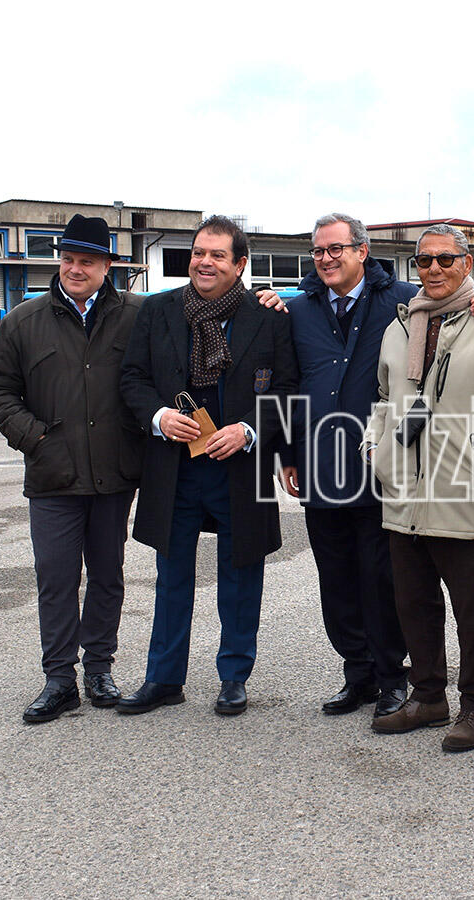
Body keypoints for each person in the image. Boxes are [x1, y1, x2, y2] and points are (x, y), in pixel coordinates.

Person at [271, 214, 474, 720]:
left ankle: (392, 678)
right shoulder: (299, 310)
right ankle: (357, 673)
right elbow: (287, 383)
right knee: (335, 579)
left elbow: (450, 295)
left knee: (382, 581)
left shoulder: (401, 301)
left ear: (362, 250)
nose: (326, 259)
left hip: (383, 468)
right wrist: (288, 453)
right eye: (318, 251)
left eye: (336, 249)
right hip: (320, 463)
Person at [118, 215, 299, 717]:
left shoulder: (270, 317)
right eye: (199, 252)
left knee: (241, 575)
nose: (205, 262)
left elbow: (288, 389)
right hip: (174, 468)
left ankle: (234, 676)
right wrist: (157, 417)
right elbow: (132, 378)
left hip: (240, 466)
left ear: (240, 264)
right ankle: (163, 679)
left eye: (218, 255)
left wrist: (248, 428)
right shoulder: (157, 312)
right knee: (171, 576)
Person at [364, 224, 474, 752]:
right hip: (404, 493)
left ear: (467, 263)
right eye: (424, 261)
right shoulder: (399, 326)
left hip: (462, 490)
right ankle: (428, 697)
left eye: (444, 260)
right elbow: (383, 398)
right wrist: (376, 451)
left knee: (472, 610)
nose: (433, 270)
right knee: (413, 604)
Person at [0, 214, 143, 723]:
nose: (76, 268)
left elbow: (199, 315)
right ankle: (59, 678)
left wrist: (264, 297)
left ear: (107, 266)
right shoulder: (23, 321)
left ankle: (99, 669)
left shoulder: (138, 316)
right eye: (68, 259)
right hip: (53, 476)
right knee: (55, 576)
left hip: (114, 474)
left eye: (87, 261)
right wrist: (36, 439)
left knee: (108, 575)